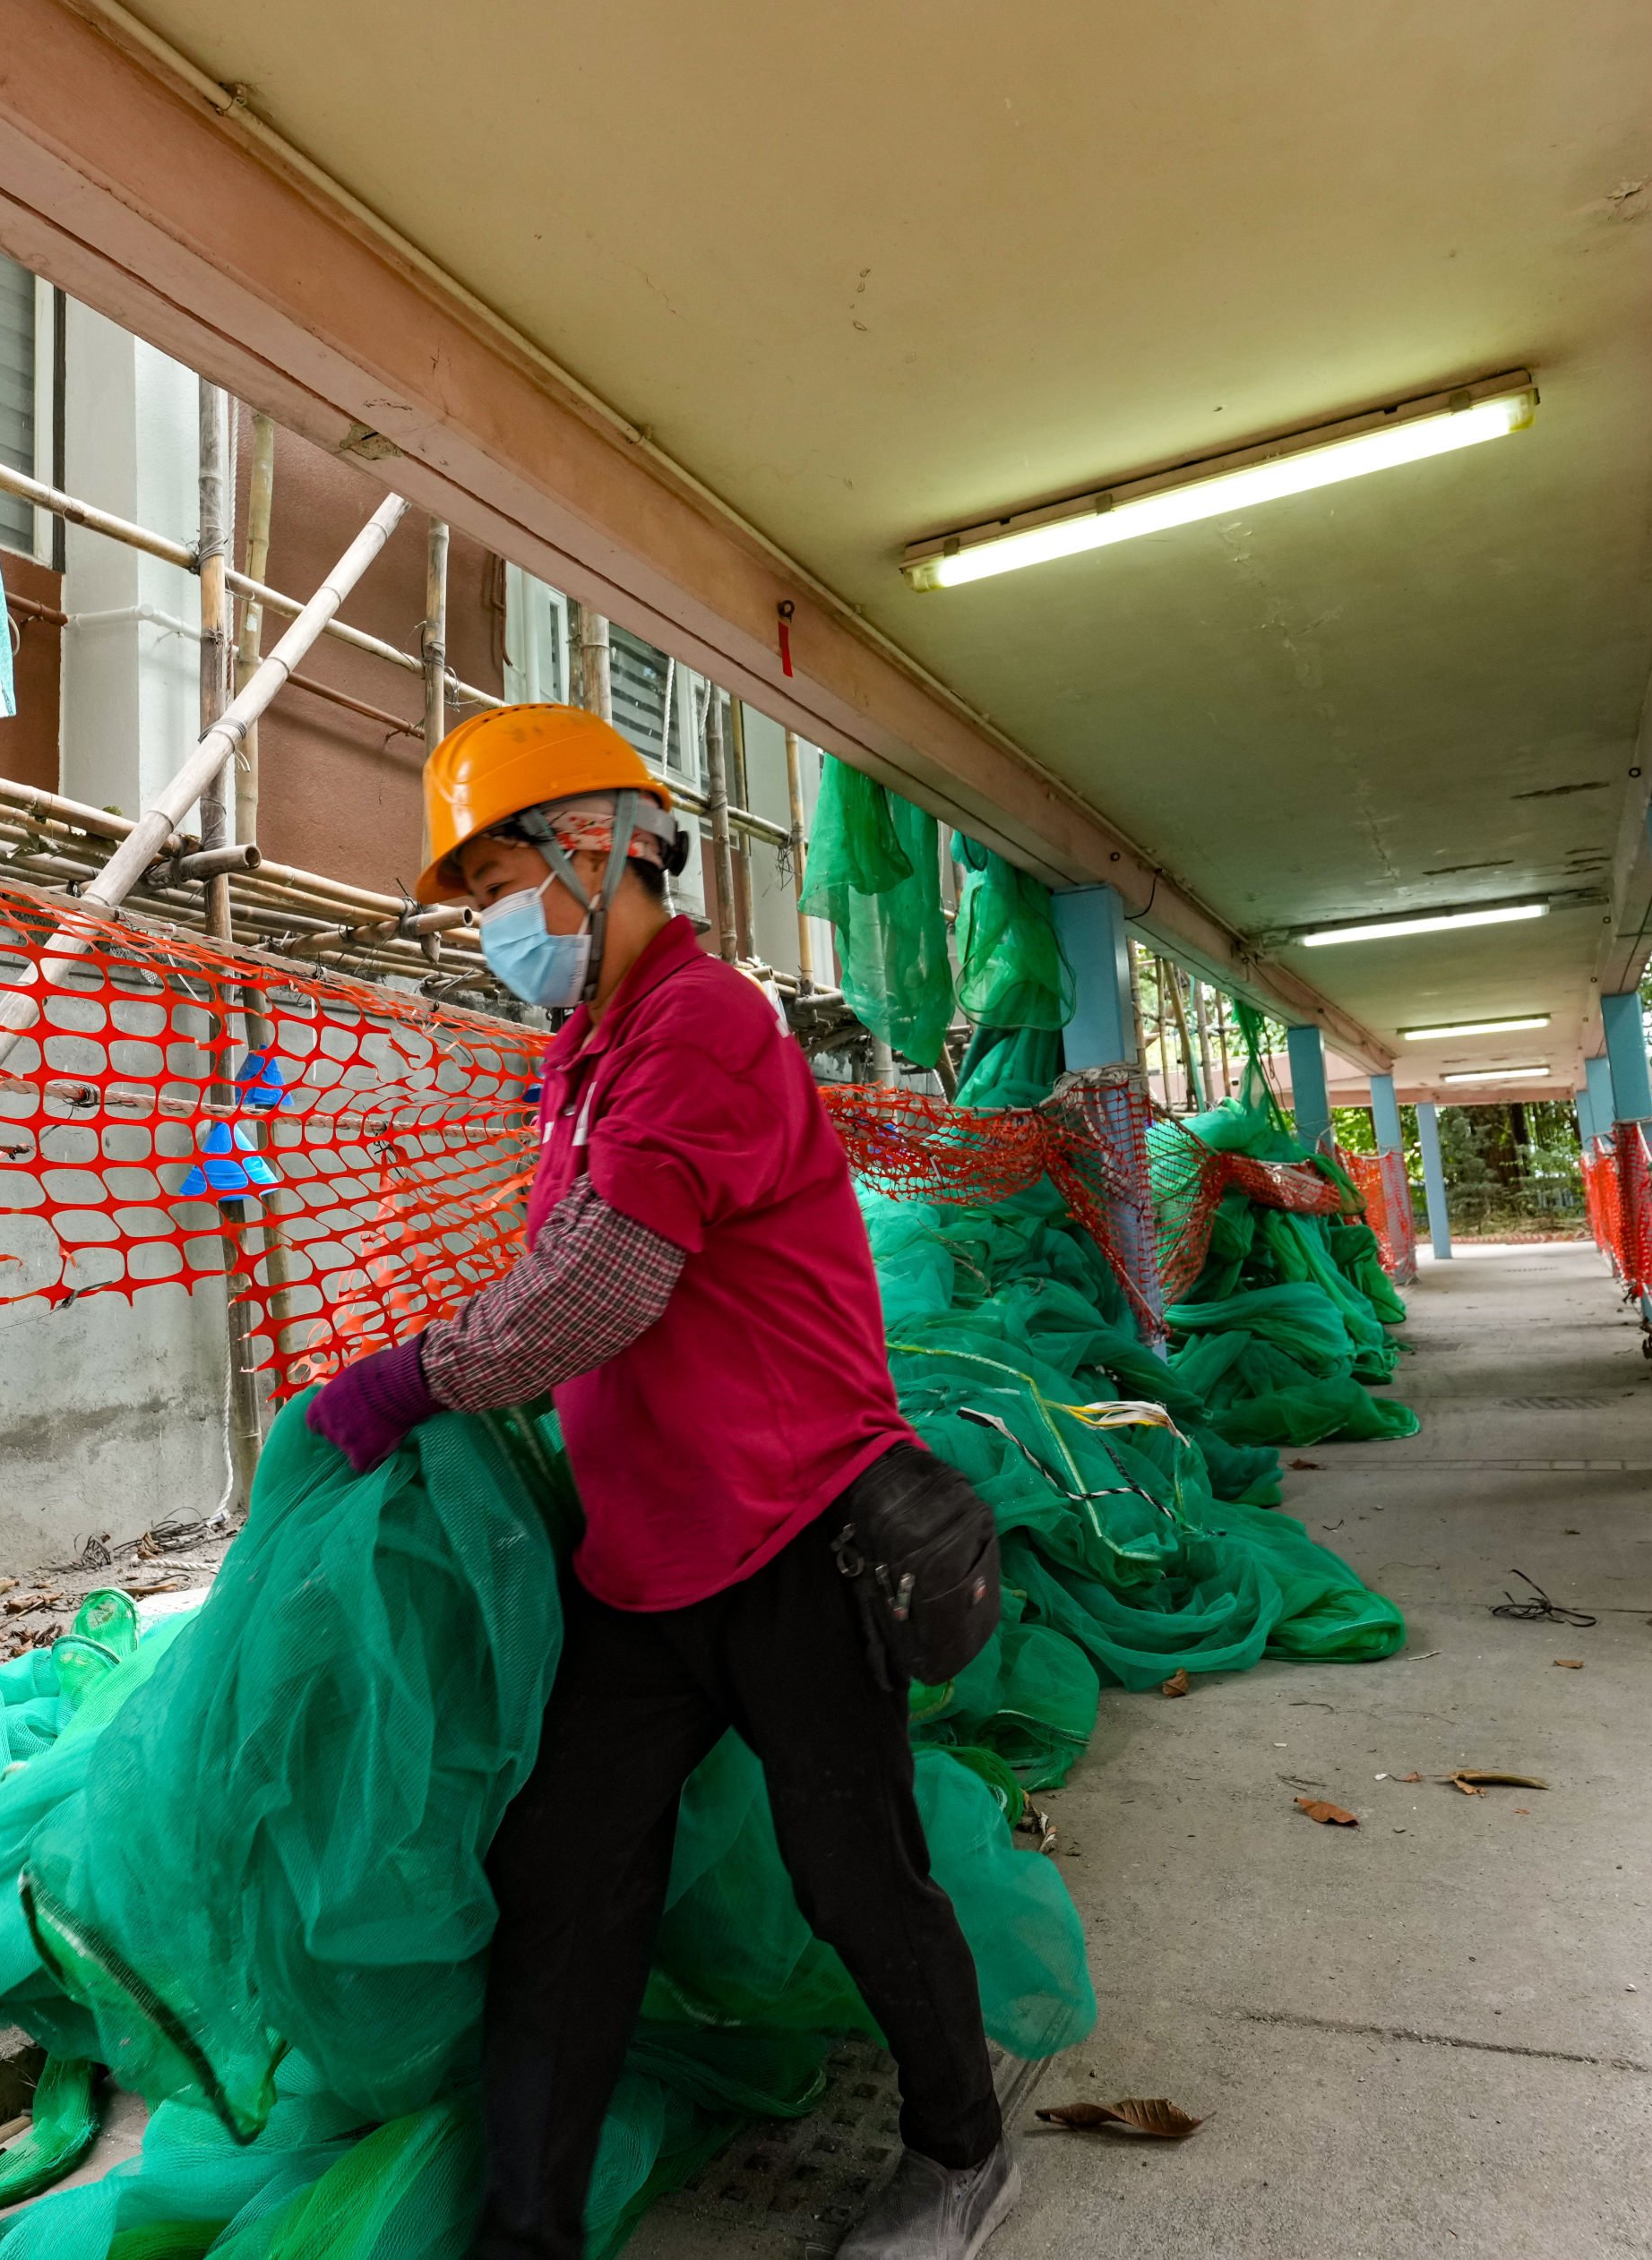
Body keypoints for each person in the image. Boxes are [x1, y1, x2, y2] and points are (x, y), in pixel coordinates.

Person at [303, 704, 1018, 2260]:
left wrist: (411, 1375)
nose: (495, 921)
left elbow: (601, 1291)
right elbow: (569, 1269)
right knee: (567, 1884)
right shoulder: (589, 1047)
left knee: (856, 1871)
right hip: (644, 1559)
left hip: (792, 1534)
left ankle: (963, 2148)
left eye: (499, 876)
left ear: (596, 847)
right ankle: (528, 2228)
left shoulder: (700, 1025)